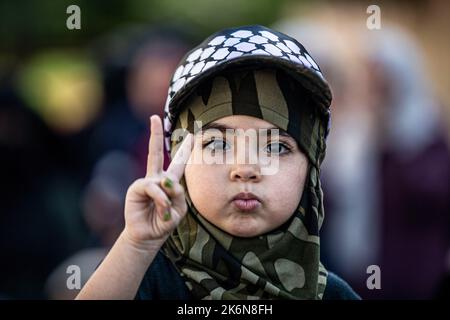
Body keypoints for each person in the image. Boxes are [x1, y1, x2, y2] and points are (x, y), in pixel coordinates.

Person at [76, 25, 360, 300]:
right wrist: (135, 245)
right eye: (217, 144)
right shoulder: (144, 277)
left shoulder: (329, 294)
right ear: (179, 158)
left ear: (310, 169)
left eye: (276, 147)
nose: (245, 170)